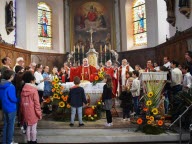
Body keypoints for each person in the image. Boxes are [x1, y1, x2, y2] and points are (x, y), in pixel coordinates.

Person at [20, 71, 42, 144]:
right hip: (33, 111)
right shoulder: (34, 90)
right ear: (32, 81)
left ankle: (28, 140)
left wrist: (22, 112)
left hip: (26, 111)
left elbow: (22, 103)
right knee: (33, 128)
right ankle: (34, 140)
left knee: (28, 127)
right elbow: (37, 103)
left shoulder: (23, 89)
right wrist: (39, 113)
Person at [0, 69, 18, 144]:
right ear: (11, 76)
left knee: (6, 125)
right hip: (11, 108)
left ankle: (4, 141)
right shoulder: (11, 86)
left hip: (4, 107)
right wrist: (18, 100)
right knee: (11, 126)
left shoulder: (1, 84)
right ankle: (10, 141)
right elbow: (13, 98)